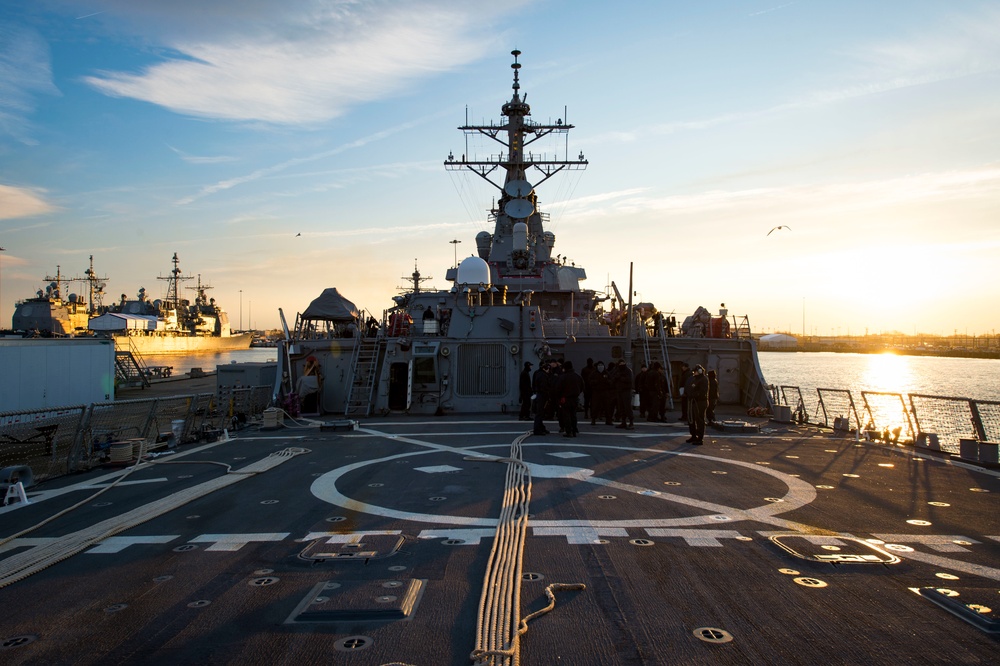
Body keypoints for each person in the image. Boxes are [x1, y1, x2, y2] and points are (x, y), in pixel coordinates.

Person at [555, 361, 585, 437]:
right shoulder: (578, 376)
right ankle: (574, 430)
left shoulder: (563, 377)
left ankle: (569, 431)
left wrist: (559, 397)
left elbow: (558, 388)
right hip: (575, 398)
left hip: (565, 398)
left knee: (566, 415)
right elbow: (582, 386)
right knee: (573, 414)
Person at [685, 364, 709, 444]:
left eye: (695, 372)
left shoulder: (703, 379)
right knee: (691, 419)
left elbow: (702, 392)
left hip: (700, 402)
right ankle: (693, 435)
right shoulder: (695, 379)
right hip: (693, 401)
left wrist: (693, 395)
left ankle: (700, 438)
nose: (694, 373)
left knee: (699, 420)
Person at [532, 361, 553, 436]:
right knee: (540, 413)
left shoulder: (538, 374)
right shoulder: (543, 376)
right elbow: (544, 387)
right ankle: (537, 429)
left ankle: (540, 427)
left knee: (539, 413)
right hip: (542, 396)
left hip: (539, 395)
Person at [613, 359, 634, 430]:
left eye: (623, 363)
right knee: (621, 407)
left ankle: (631, 422)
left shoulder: (628, 371)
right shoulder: (617, 370)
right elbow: (613, 377)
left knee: (627, 407)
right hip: (619, 391)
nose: (621, 365)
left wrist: (620, 378)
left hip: (626, 391)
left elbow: (629, 380)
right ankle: (623, 422)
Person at [590, 361, 614, 426]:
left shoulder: (607, 373)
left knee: (607, 406)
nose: (600, 367)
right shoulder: (594, 373)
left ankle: (608, 420)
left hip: (605, 391)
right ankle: (593, 419)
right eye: (599, 365)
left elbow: (611, 382)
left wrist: (606, 381)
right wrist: (596, 381)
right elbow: (590, 382)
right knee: (595, 406)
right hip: (596, 391)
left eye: (602, 365)